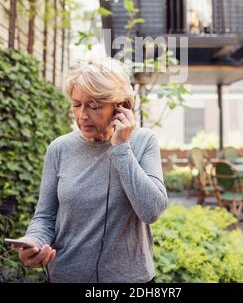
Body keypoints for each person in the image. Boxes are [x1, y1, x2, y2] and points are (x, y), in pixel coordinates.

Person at [13, 57, 168, 283]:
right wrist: (34, 243)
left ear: (120, 107)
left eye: (94, 106)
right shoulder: (59, 149)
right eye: (77, 104)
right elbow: (45, 217)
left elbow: (151, 210)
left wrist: (121, 148)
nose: (82, 115)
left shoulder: (144, 142)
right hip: (66, 277)